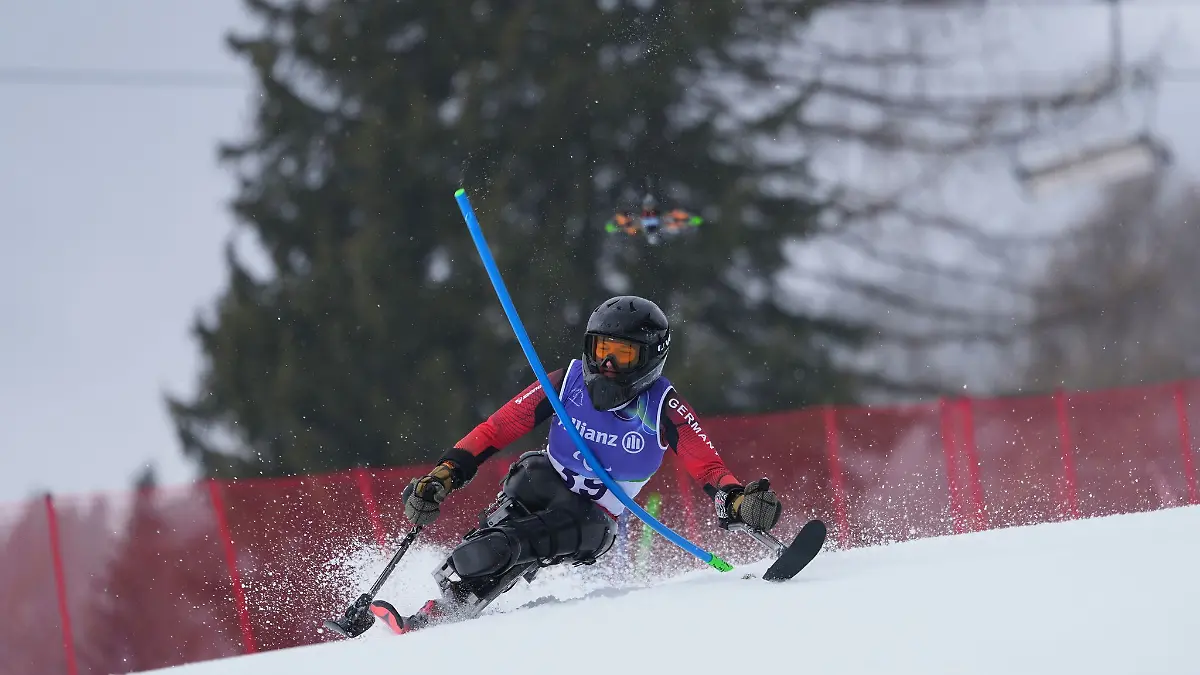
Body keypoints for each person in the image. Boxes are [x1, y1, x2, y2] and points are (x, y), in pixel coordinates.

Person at [367, 295, 784, 634]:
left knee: (505, 548)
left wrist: (737, 499)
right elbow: (498, 427)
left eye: (622, 355)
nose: (606, 366)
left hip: (593, 517)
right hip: (540, 480)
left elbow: (707, 466)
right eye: (601, 351)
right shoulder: (566, 381)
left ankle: (465, 582)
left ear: (650, 358)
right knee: (499, 534)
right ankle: (445, 606)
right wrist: (444, 474)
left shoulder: (661, 406)